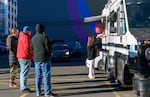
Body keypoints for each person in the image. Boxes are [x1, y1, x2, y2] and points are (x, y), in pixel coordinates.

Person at [31, 24, 57, 97]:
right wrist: (49, 54)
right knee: (46, 76)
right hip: (44, 58)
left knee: (38, 76)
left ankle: (38, 92)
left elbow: (32, 48)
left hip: (36, 59)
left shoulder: (33, 38)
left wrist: (35, 54)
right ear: (42, 29)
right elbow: (48, 48)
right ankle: (47, 92)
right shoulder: (44, 37)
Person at [17, 26, 33, 93]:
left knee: (22, 72)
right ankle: (23, 87)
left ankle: (23, 86)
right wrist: (31, 56)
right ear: (27, 31)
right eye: (29, 31)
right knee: (24, 73)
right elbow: (27, 49)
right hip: (25, 57)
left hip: (20, 56)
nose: (30, 33)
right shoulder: (26, 37)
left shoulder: (21, 36)